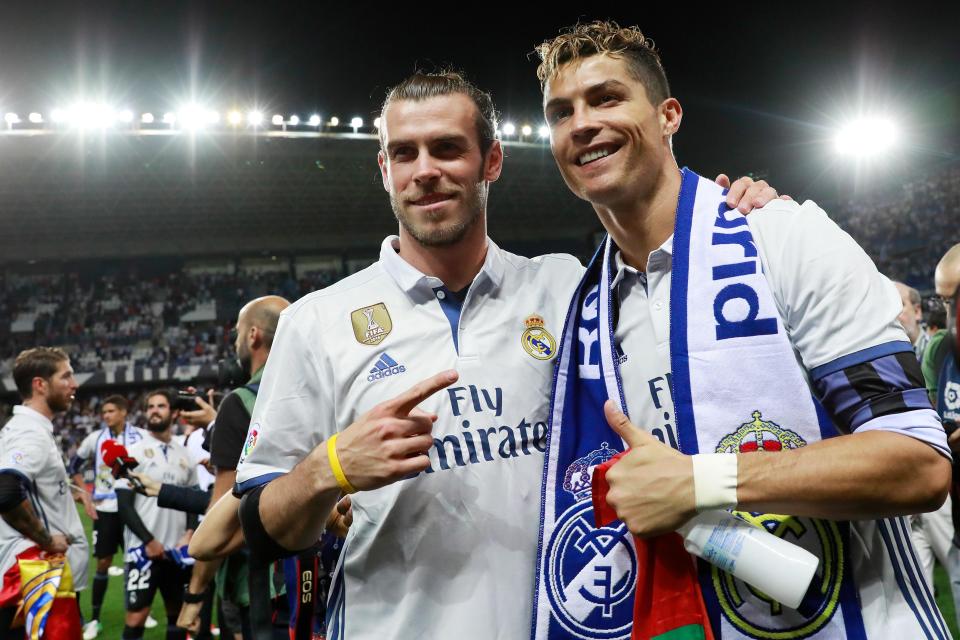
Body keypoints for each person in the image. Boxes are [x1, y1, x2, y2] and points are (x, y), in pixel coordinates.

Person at [230, 70, 780, 638]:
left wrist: (741, 214)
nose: (425, 171)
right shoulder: (315, 322)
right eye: (404, 154)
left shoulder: (570, 288)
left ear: (491, 160)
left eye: (447, 149)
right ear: (385, 171)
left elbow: (673, 272)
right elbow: (262, 530)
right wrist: (331, 468)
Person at [531, 21, 951, 640]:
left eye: (607, 98)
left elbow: (918, 463)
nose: (582, 123)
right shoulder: (581, 310)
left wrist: (699, 481)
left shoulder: (781, 237)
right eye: (561, 112)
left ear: (669, 115)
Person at [179, 295, 290, 640]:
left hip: (263, 586)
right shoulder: (324, 389)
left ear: (253, 335)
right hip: (321, 574)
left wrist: (195, 594)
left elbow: (224, 514)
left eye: (238, 334)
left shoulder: (240, 403)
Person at [0, 347, 90, 638]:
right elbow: (6, 490)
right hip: (37, 577)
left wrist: (68, 490)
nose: (74, 384)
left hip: (37, 577)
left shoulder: (29, 429)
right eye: (66, 376)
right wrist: (47, 539)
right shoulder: (29, 432)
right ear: (40, 384)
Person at [116, 389, 197, 640]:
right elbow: (124, 505)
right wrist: (149, 541)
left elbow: (192, 501)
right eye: (150, 406)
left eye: (160, 406)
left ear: (173, 413)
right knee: (136, 616)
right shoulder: (131, 451)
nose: (154, 410)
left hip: (176, 551)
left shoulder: (186, 456)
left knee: (177, 615)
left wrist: (190, 533)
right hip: (143, 551)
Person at [71, 394, 147, 639]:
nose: (106, 416)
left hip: (131, 508)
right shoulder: (95, 438)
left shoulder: (140, 436)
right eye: (104, 412)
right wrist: (85, 493)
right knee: (103, 563)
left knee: (133, 561)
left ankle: (136, 610)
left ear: (124, 412)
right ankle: (94, 619)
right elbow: (74, 467)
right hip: (104, 510)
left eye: (111, 411)